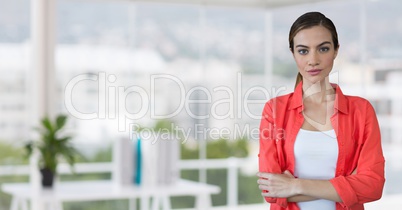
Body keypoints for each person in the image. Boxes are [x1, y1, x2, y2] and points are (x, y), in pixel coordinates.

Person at [257, 12, 385, 210]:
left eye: (323, 49)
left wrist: (294, 185)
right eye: (303, 51)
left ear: (336, 51)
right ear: (292, 54)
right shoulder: (274, 110)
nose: (313, 60)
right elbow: (271, 193)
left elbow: (373, 187)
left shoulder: (361, 111)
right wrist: (347, 184)